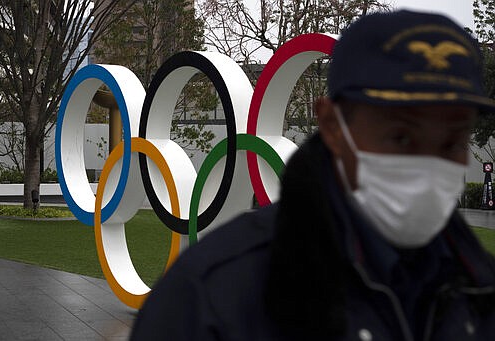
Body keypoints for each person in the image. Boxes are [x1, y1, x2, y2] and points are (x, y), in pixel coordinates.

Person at [130, 10, 495, 341]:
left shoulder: (481, 288)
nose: (428, 163)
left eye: (452, 141)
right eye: (401, 136)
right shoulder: (207, 297)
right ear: (333, 125)